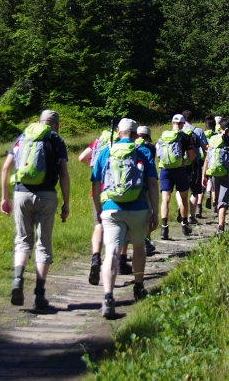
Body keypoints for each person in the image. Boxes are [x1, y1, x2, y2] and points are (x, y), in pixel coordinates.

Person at [0, 110, 70, 310]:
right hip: (47, 195)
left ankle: (17, 278)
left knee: (23, 240)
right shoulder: (56, 140)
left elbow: (5, 168)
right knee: (43, 243)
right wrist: (66, 202)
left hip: (21, 193)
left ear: (39, 121)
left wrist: (4, 197)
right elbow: (64, 174)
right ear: (55, 124)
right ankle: (39, 294)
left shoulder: (23, 136)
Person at [90, 118, 159, 318]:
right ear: (136, 134)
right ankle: (138, 287)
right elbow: (152, 184)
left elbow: (95, 185)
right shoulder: (144, 152)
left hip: (111, 208)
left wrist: (99, 209)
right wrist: (154, 211)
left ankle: (108, 297)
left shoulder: (106, 151)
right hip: (138, 208)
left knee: (111, 252)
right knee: (138, 246)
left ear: (118, 132)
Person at [79, 129, 132, 286]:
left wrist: (94, 165)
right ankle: (121, 260)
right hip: (115, 191)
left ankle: (95, 257)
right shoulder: (122, 143)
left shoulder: (99, 141)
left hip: (97, 190)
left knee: (98, 225)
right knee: (122, 225)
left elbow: (81, 157)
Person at [157, 114, 195, 239]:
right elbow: (191, 156)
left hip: (164, 169)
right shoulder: (184, 136)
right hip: (180, 169)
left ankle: (164, 228)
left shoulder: (163, 136)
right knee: (184, 198)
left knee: (165, 199)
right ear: (183, 124)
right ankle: (184, 225)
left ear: (172, 122)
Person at [201, 118, 229, 234]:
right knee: (223, 201)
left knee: (217, 196)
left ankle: (215, 207)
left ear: (220, 127)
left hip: (213, 173)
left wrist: (204, 175)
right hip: (227, 173)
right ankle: (221, 227)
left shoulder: (213, 139)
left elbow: (207, 159)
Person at [182, 110, 208, 221]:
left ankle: (181, 209)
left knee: (181, 190)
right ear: (193, 119)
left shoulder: (178, 131)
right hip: (195, 164)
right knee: (195, 191)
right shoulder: (198, 131)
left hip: (180, 164)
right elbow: (205, 149)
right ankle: (191, 216)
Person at [136, 125, 157, 256]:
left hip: (129, 186)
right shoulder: (150, 148)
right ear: (148, 136)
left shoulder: (131, 146)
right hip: (146, 185)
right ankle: (146, 240)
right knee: (147, 214)